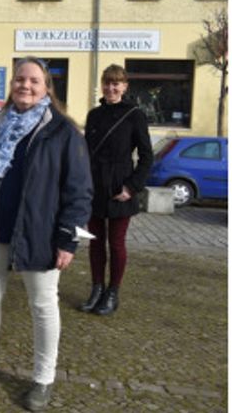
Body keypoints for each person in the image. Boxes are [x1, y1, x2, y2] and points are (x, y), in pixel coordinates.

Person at [0, 57, 92, 412]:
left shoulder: (62, 131)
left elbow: (79, 191)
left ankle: (43, 378)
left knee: (42, 307)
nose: (24, 86)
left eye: (33, 81)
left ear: (46, 88)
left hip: (38, 233)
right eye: (19, 80)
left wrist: (67, 240)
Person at [80, 65, 153, 316]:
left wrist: (132, 187)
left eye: (116, 83)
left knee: (117, 244)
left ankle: (113, 292)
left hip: (120, 188)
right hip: (94, 187)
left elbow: (146, 157)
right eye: (107, 83)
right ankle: (97, 288)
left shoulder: (135, 115)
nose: (111, 88)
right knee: (95, 243)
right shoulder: (94, 115)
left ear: (125, 86)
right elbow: (85, 153)